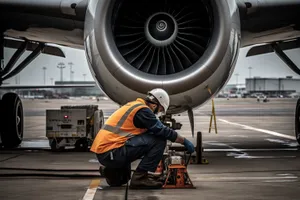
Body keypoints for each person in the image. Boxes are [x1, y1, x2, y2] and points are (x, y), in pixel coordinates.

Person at [90, 88, 195, 189]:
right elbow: (161, 131)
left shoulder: (135, 106)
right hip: (112, 151)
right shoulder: (143, 111)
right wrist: (184, 141)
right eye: (160, 109)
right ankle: (140, 177)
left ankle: (111, 171)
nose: (158, 113)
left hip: (105, 152)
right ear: (154, 105)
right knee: (159, 140)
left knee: (121, 180)